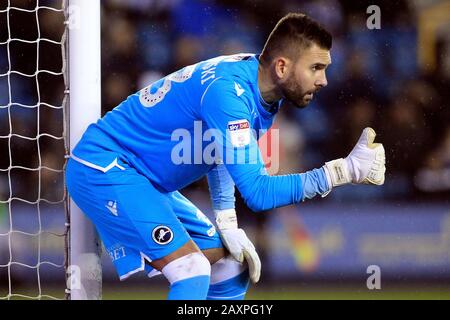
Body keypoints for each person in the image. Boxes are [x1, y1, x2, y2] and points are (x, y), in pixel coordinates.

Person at [66, 13, 385, 300]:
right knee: (191, 270)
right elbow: (258, 193)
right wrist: (341, 172)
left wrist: (227, 220)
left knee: (231, 271)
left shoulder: (260, 92)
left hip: (144, 180)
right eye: (316, 68)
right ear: (283, 66)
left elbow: (219, 150)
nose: (323, 80)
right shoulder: (229, 94)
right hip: (106, 166)